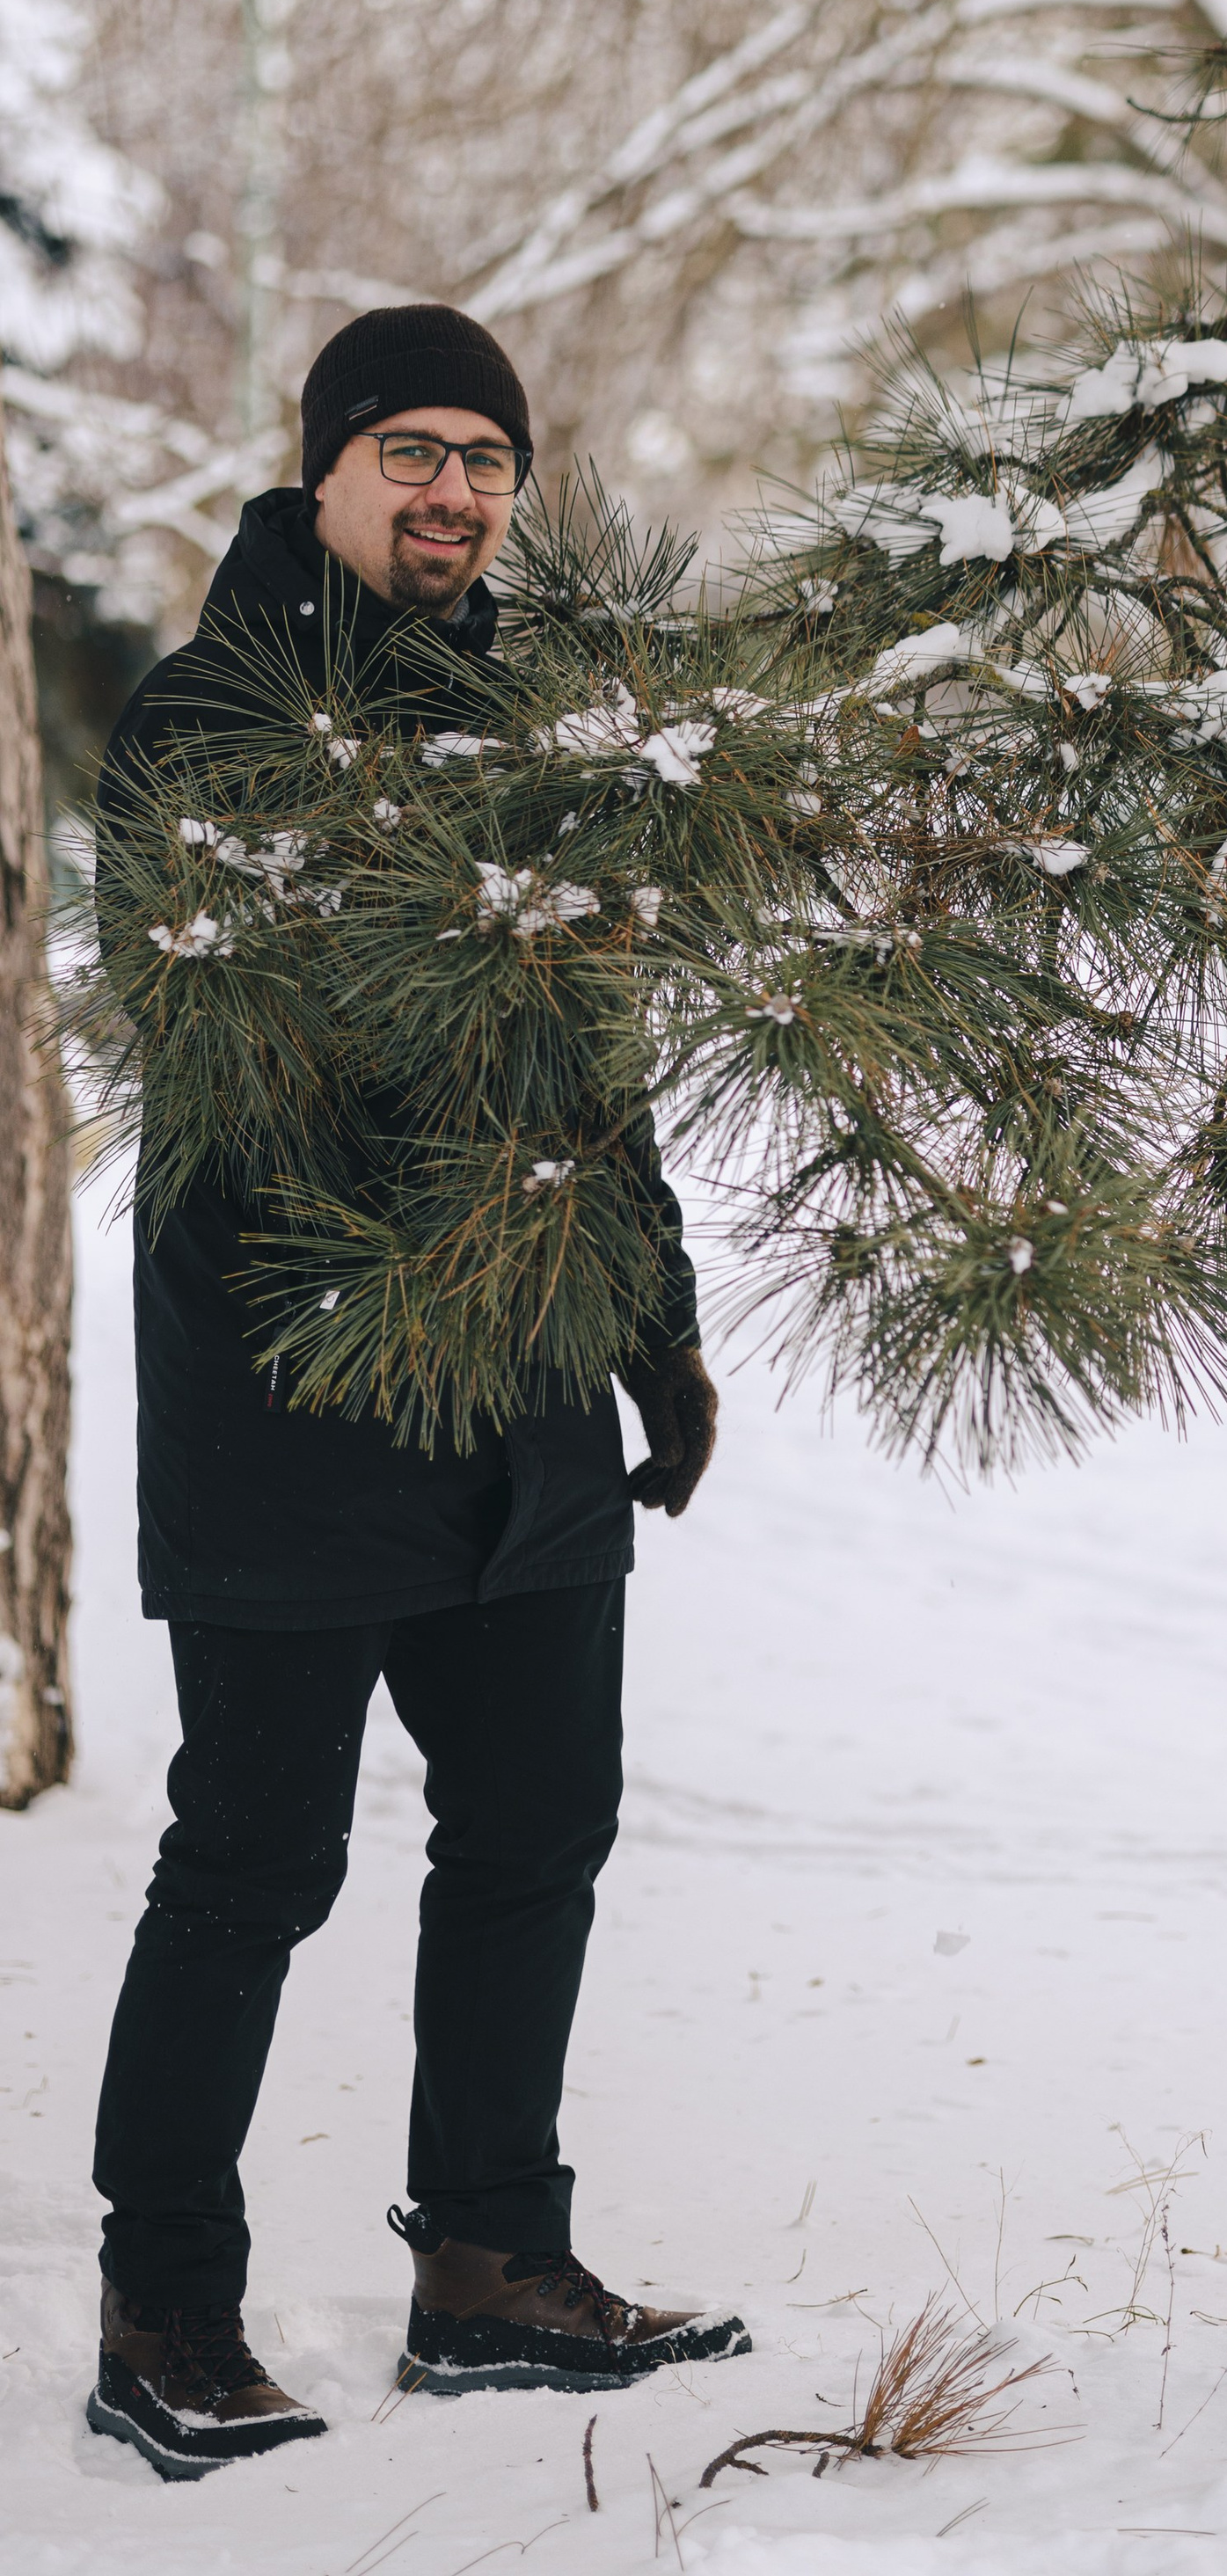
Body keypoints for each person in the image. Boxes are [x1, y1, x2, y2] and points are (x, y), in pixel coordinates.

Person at [85, 305, 748, 2480]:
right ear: (326, 469)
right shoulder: (206, 719)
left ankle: (488, 2264)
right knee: (257, 1855)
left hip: (527, 1397)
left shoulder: (536, 717)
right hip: (300, 1390)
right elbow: (273, 1073)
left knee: (539, 1826)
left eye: (486, 458)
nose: (454, 491)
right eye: (411, 452)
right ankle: (167, 2303)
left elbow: (592, 1062)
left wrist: (647, 1320)